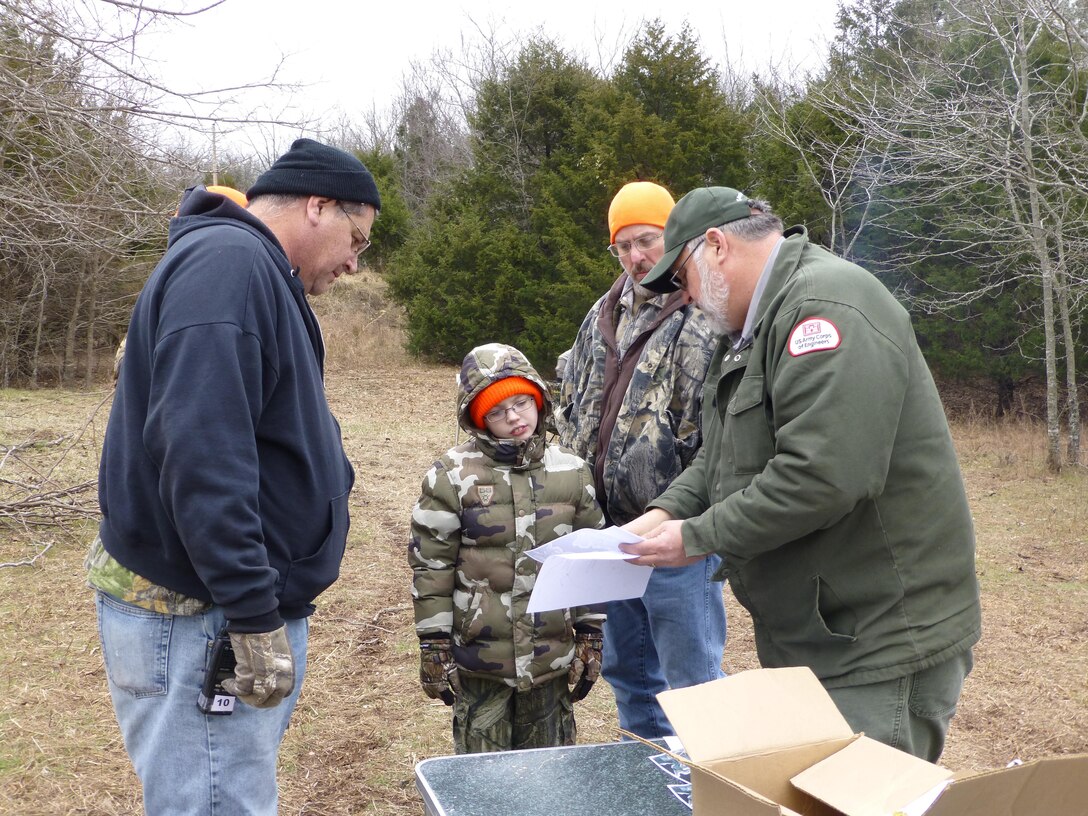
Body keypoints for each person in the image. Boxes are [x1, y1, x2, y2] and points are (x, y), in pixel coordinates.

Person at [621, 186, 982, 762]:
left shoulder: (824, 308)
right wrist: (663, 514)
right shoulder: (752, 327)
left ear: (715, 246)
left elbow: (823, 476)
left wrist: (695, 538)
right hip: (823, 634)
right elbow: (718, 459)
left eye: (681, 277)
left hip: (877, 644)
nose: (684, 299)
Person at [87, 138, 380, 814]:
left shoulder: (250, 270)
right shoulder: (230, 266)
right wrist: (250, 611)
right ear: (317, 206)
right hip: (201, 617)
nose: (355, 263)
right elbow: (201, 451)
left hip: (217, 611)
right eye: (355, 239)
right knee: (218, 803)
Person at [556, 181, 726, 739]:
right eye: (623, 245)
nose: (636, 256)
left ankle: (709, 789)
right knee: (628, 673)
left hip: (677, 537)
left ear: (674, 237)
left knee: (693, 682)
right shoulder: (601, 315)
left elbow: (720, 433)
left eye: (648, 240)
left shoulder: (705, 313)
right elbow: (572, 405)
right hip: (609, 537)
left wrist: (693, 521)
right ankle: (650, 780)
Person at [409, 342, 606, 754]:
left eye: (521, 402)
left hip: (549, 661)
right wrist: (434, 645)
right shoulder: (451, 475)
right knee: (484, 783)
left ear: (539, 399)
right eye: (498, 411)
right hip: (481, 662)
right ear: (478, 417)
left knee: (551, 777)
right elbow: (432, 567)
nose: (514, 417)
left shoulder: (571, 471)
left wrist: (591, 634)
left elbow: (590, 561)